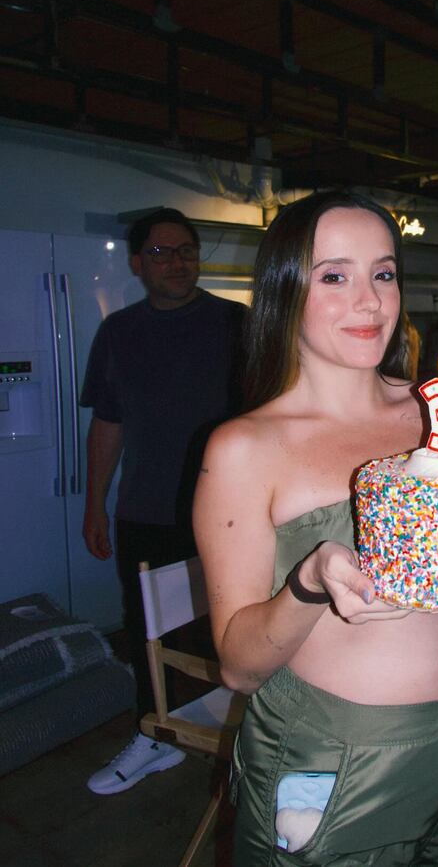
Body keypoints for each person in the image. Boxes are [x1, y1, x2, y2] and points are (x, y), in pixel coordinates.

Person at [193, 191, 438, 865]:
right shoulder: (243, 449)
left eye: (383, 273)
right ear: (284, 292)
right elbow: (239, 667)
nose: (369, 301)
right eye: (334, 276)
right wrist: (310, 582)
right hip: (332, 764)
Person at [81, 207, 246, 795]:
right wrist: (93, 504)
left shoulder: (237, 324)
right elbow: (108, 424)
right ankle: (154, 735)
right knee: (148, 628)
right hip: (146, 510)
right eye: (161, 252)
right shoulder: (118, 333)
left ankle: (247, 739)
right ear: (136, 263)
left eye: (185, 250)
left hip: (229, 511)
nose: (176, 261)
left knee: (231, 626)